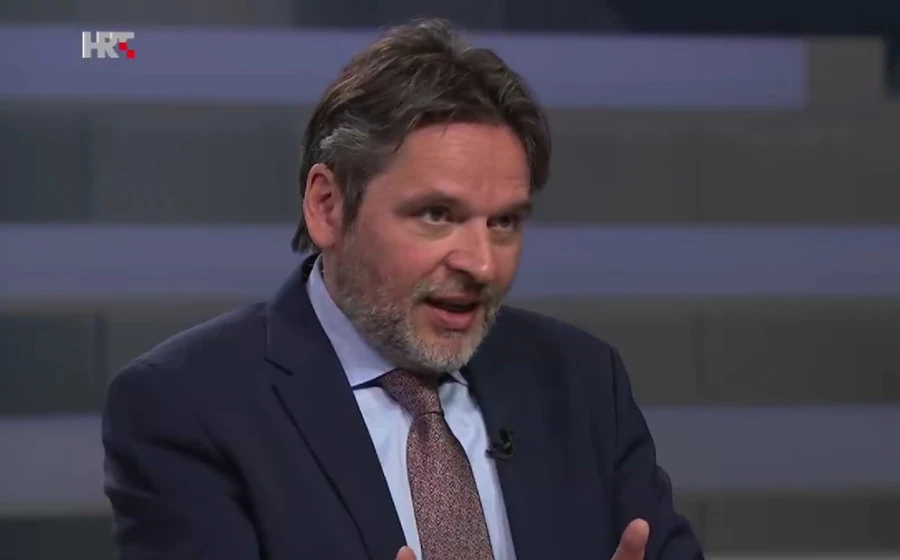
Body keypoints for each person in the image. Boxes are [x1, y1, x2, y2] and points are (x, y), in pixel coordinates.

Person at [101, 18, 704, 560]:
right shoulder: (189, 406)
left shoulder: (582, 381)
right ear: (328, 206)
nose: (482, 264)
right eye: (437, 215)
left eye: (503, 222)